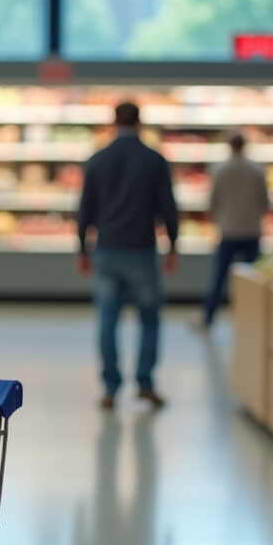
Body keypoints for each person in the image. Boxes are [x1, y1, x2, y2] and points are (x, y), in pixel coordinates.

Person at [76, 102, 177, 411]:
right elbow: (168, 208)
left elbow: (85, 210)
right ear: (141, 123)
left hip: (106, 251)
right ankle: (145, 383)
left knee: (107, 320)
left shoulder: (97, 160)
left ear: (113, 123)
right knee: (149, 320)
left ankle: (110, 388)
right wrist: (173, 245)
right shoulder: (155, 160)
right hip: (142, 251)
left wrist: (82, 248)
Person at [199, 133, 270, 330]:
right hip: (251, 230)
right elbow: (265, 201)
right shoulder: (257, 170)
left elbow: (212, 202)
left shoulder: (219, 170)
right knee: (254, 279)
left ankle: (208, 319)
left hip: (228, 229)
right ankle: (257, 318)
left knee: (218, 277)